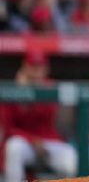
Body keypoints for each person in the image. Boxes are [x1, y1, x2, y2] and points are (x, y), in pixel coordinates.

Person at [2, 49, 77, 182]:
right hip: (25, 143)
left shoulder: (51, 87)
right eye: (33, 67)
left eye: (40, 67)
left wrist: (30, 96)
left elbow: (50, 116)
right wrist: (22, 93)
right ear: (24, 67)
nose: (37, 71)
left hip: (51, 143)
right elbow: (8, 128)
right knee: (14, 147)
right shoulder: (12, 89)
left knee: (72, 159)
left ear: (46, 69)